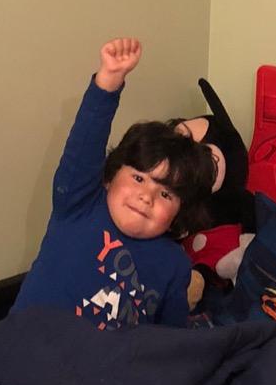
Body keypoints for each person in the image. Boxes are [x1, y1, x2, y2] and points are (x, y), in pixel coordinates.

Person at [12, 39, 215, 328]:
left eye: (165, 194)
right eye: (138, 178)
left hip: (105, 358)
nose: (146, 196)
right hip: (24, 347)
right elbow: (84, 144)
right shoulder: (80, 204)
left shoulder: (174, 265)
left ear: (179, 213)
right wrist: (108, 83)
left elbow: (169, 341)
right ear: (109, 177)